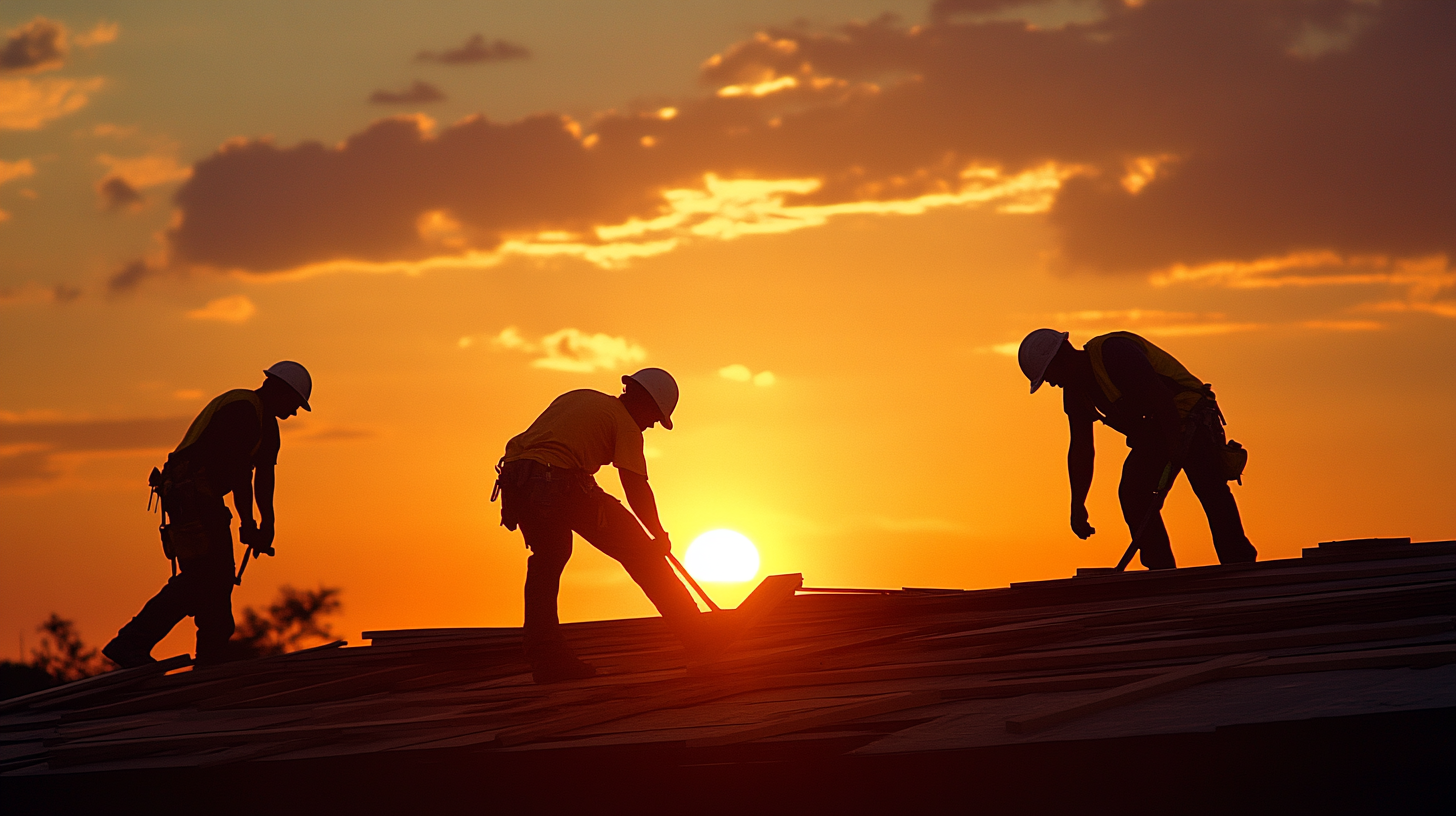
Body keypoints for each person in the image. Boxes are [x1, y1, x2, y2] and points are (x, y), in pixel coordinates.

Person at [494, 368, 707, 683]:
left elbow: (552, 449)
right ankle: (698, 634)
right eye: (654, 418)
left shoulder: (583, 397)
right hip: (555, 480)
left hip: (518, 479)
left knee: (548, 560)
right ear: (644, 403)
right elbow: (635, 485)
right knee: (641, 551)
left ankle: (546, 656)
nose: (650, 425)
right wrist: (657, 536)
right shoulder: (626, 426)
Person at [103, 362, 312, 668]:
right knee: (205, 577)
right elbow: (241, 472)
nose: (294, 412)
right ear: (280, 390)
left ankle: (209, 663)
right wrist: (248, 523)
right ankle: (132, 643)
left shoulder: (267, 425)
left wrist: (267, 525)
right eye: (294, 403)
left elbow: (263, 477)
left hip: (202, 498)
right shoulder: (242, 407)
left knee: (214, 580)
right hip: (191, 496)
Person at [1018, 329, 1256, 570]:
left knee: (1210, 488)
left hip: (1190, 418)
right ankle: (1160, 571)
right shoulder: (1075, 393)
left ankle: (1239, 564)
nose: (1051, 382)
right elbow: (1081, 448)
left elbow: (1160, 397)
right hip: (1155, 431)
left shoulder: (1114, 352)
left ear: (1063, 359)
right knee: (1133, 493)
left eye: (1049, 374)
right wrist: (1078, 503)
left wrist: (1174, 444)